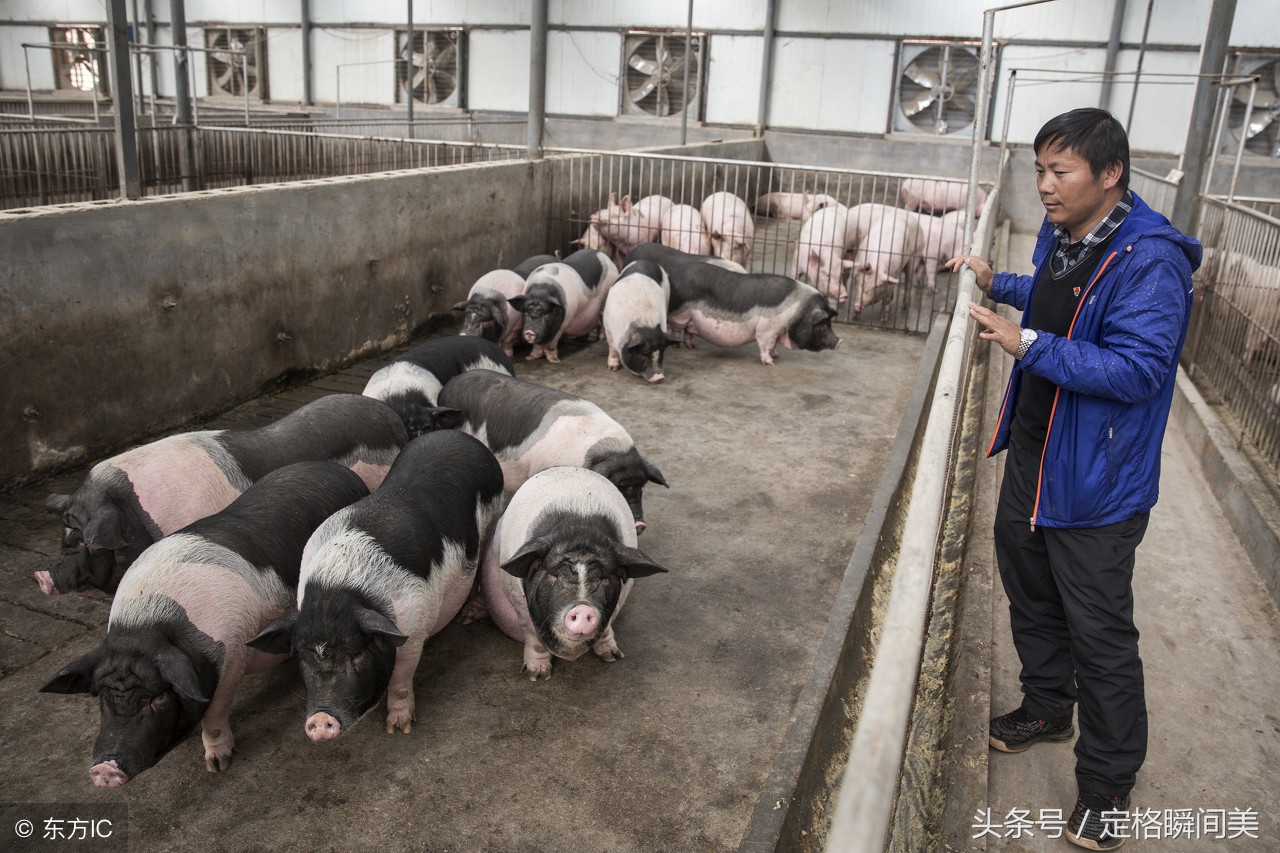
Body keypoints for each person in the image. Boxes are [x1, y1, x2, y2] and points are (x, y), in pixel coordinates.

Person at [944, 108, 1201, 850]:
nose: (1044, 186)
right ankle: (1049, 706)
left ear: (1110, 173)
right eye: (1040, 170)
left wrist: (1025, 343)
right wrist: (1006, 284)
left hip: (1095, 477)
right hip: (1036, 450)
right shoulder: (1069, 233)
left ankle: (1109, 784)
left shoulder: (1151, 260)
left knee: (1100, 628)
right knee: (1030, 586)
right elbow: (1065, 303)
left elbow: (1138, 368)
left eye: (1059, 172)